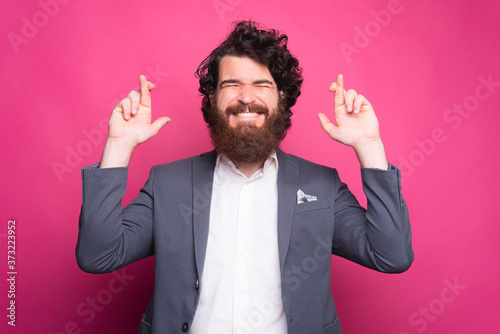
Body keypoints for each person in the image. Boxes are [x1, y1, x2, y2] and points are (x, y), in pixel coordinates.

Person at [76, 21, 414, 334]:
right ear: (212, 98)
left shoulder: (321, 186)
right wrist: (118, 146)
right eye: (231, 84)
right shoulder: (169, 183)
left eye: (261, 84)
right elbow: (98, 255)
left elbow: (391, 255)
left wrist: (369, 146)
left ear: (282, 96)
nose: (246, 97)